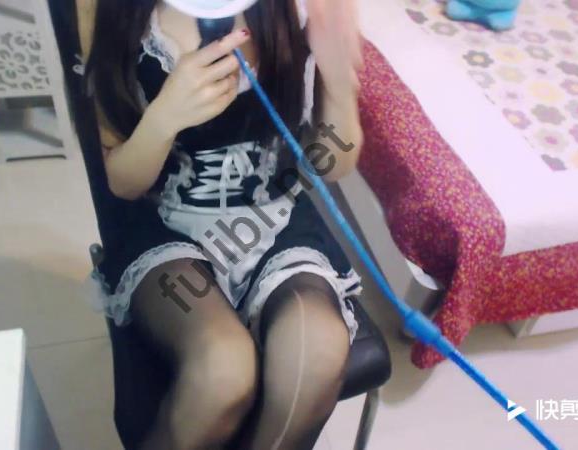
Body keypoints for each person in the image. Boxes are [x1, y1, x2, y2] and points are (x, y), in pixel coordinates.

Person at [78, 0, 364, 448]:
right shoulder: (115, 12)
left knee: (319, 352)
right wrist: (165, 117)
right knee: (224, 369)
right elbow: (124, 184)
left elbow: (333, 163)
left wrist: (339, 78)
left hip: (274, 217)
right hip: (168, 225)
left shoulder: (304, 9)